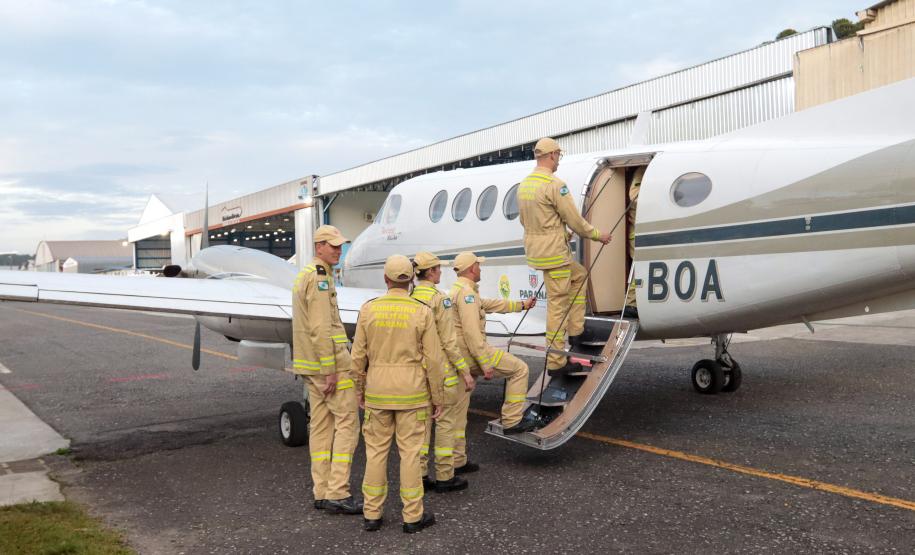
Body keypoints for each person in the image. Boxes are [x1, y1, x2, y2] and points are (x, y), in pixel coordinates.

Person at [352, 254, 444, 534]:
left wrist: (359, 389)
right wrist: (437, 397)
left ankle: (372, 514)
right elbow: (435, 360)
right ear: (412, 280)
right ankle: (412, 516)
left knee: (376, 453)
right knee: (411, 455)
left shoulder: (368, 309)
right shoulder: (422, 310)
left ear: (385, 279)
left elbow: (357, 356)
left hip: (378, 392)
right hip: (412, 394)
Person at [517, 137, 611, 377]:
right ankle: (557, 362)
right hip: (554, 255)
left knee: (579, 276)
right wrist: (599, 235)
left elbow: (527, 220)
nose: (559, 159)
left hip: (538, 250)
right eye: (558, 155)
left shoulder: (525, 185)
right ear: (551, 156)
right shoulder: (555, 185)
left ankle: (576, 329)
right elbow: (575, 221)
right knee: (557, 308)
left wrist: (556, 232)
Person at [291, 225, 361, 515]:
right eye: (331, 245)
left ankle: (321, 491)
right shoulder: (320, 279)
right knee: (347, 424)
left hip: (311, 366)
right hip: (329, 366)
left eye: (340, 245)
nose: (338, 250)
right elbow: (321, 327)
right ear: (318, 246)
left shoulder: (308, 275)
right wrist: (330, 369)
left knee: (320, 428)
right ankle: (337, 492)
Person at [449, 252, 538, 464]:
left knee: (458, 413)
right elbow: (472, 334)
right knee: (519, 369)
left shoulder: (459, 291)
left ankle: (456, 462)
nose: (480, 269)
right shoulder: (468, 295)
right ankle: (512, 420)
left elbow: (491, 304)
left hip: (460, 359)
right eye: (478, 266)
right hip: (473, 354)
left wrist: (521, 305)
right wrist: (485, 363)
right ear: (472, 269)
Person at [410, 251, 476, 493]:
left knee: (421, 427)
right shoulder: (440, 299)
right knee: (445, 424)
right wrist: (465, 371)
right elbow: (449, 342)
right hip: (441, 373)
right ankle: (446, 475)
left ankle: (421, 475)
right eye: (438, 269)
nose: (440, 272)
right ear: (429, 272)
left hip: (418, 374)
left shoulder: (411, 297)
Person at [623, 166, 645, 318]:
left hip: (643, 230)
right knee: (638, 268)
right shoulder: (641, 171)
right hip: (636, 232)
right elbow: (634, 196)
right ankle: (631, 304)